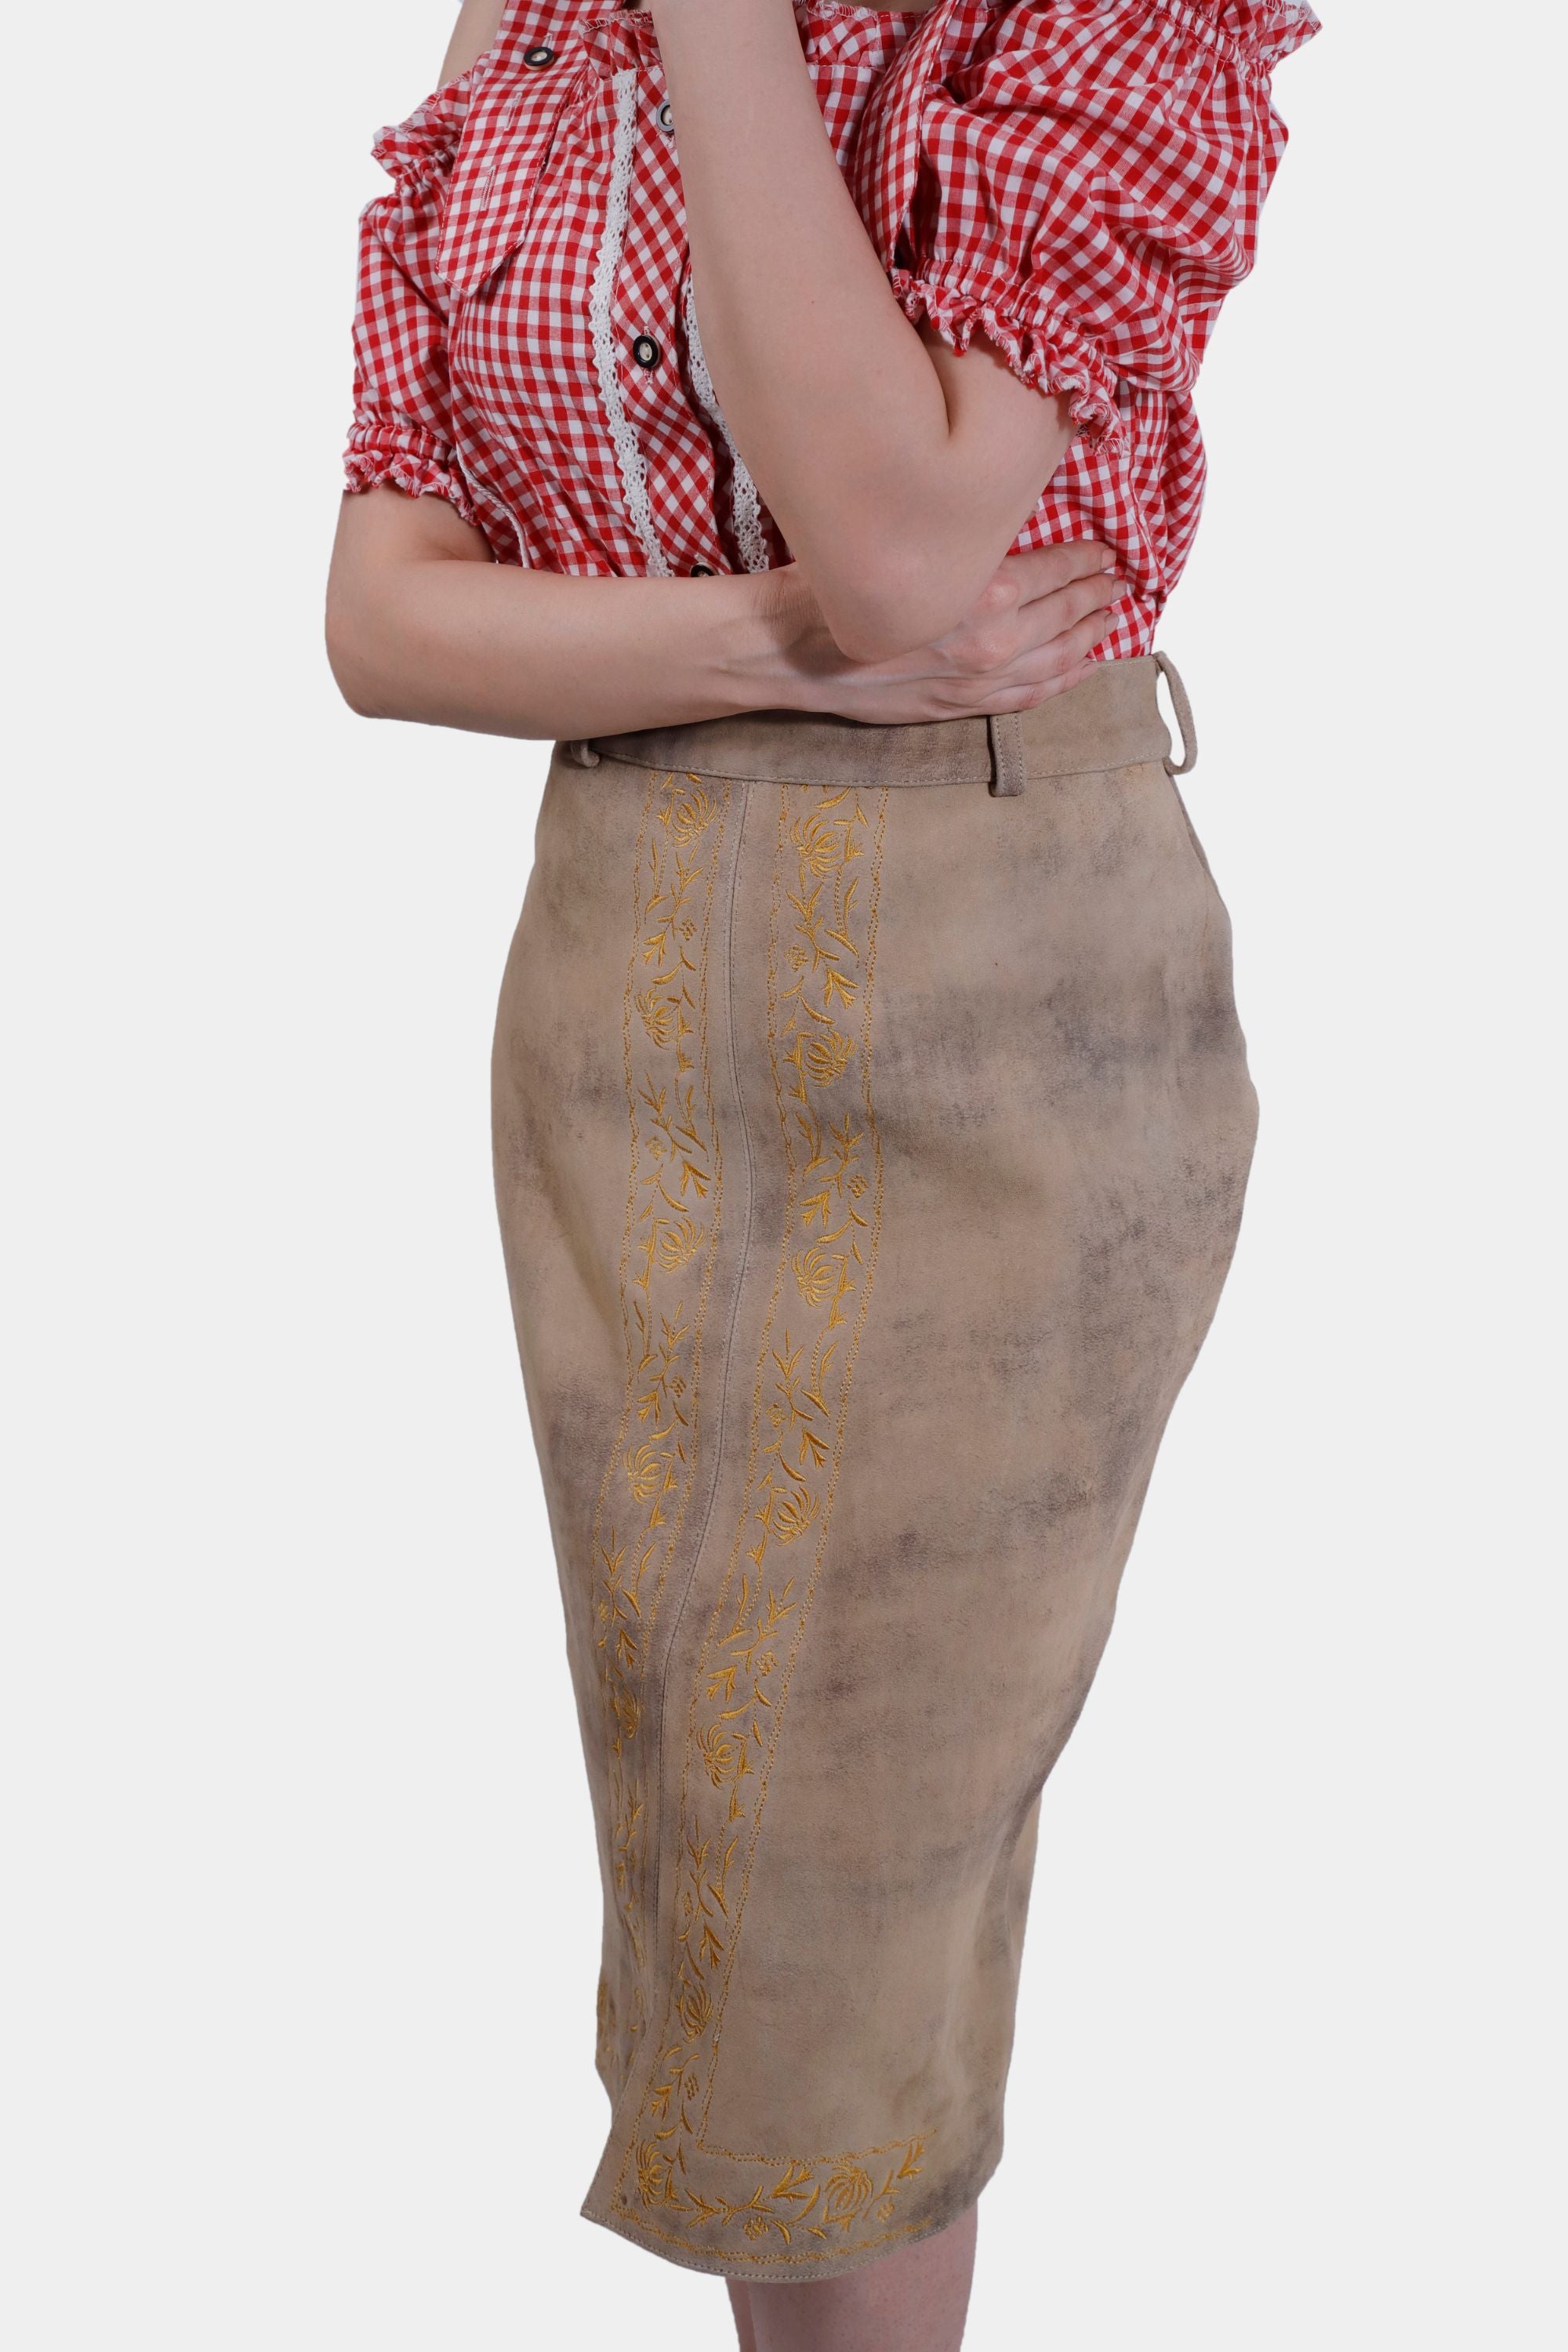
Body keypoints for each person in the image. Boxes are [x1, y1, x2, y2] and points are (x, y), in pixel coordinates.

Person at [325, 2, 1319, 2344]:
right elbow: (380, 618)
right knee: (722, 1872)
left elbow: (891, 535)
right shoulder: (530, 18)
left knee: (839, 1915)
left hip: (981, 1002)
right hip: (627, 1005)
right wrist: (765, 651)